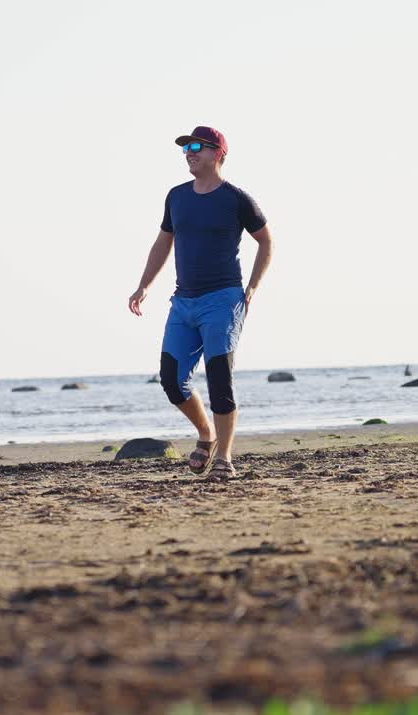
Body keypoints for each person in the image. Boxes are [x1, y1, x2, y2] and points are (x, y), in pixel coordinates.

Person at [127, 126, 273, 479]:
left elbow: (266, 242)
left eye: (196, 147)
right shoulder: (176, 197)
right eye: (185, 148)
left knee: (220, 378)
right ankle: (206, 434)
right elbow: (163, 243)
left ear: (217, 153)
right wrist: (144, 285)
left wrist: (252, 288)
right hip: (184, 302)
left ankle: (224, 457)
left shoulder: (236, 199)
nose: (189, 152)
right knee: (171, 380)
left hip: (222, 300)